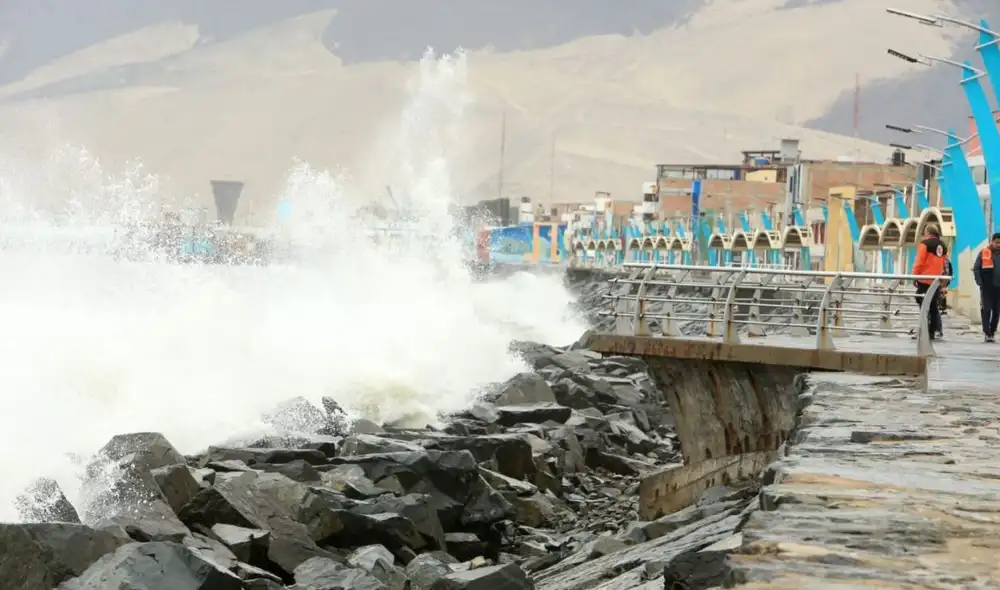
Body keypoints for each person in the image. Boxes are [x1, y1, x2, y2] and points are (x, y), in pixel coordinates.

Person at [911, 223, 947, 341]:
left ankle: (924, 332)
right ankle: (933, 331)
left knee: (923, 307)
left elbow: (919, 262)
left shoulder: (924, 244)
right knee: (933, 307)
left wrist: (914, 276)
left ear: (928, 232)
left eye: (925, 232)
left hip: (924, 280)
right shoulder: (943, 245)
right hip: (935, 281)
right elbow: (943, 264)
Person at [974, 233, 1000, 342]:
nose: (999, 245)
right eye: (997, 242)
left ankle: (992, 331)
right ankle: (987, 332)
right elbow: (976, 268)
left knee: (997, 312)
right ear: (992, 242)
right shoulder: (984, 253)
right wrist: (979, 282)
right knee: (986, 310)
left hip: (999, 289)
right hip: (987, 287)